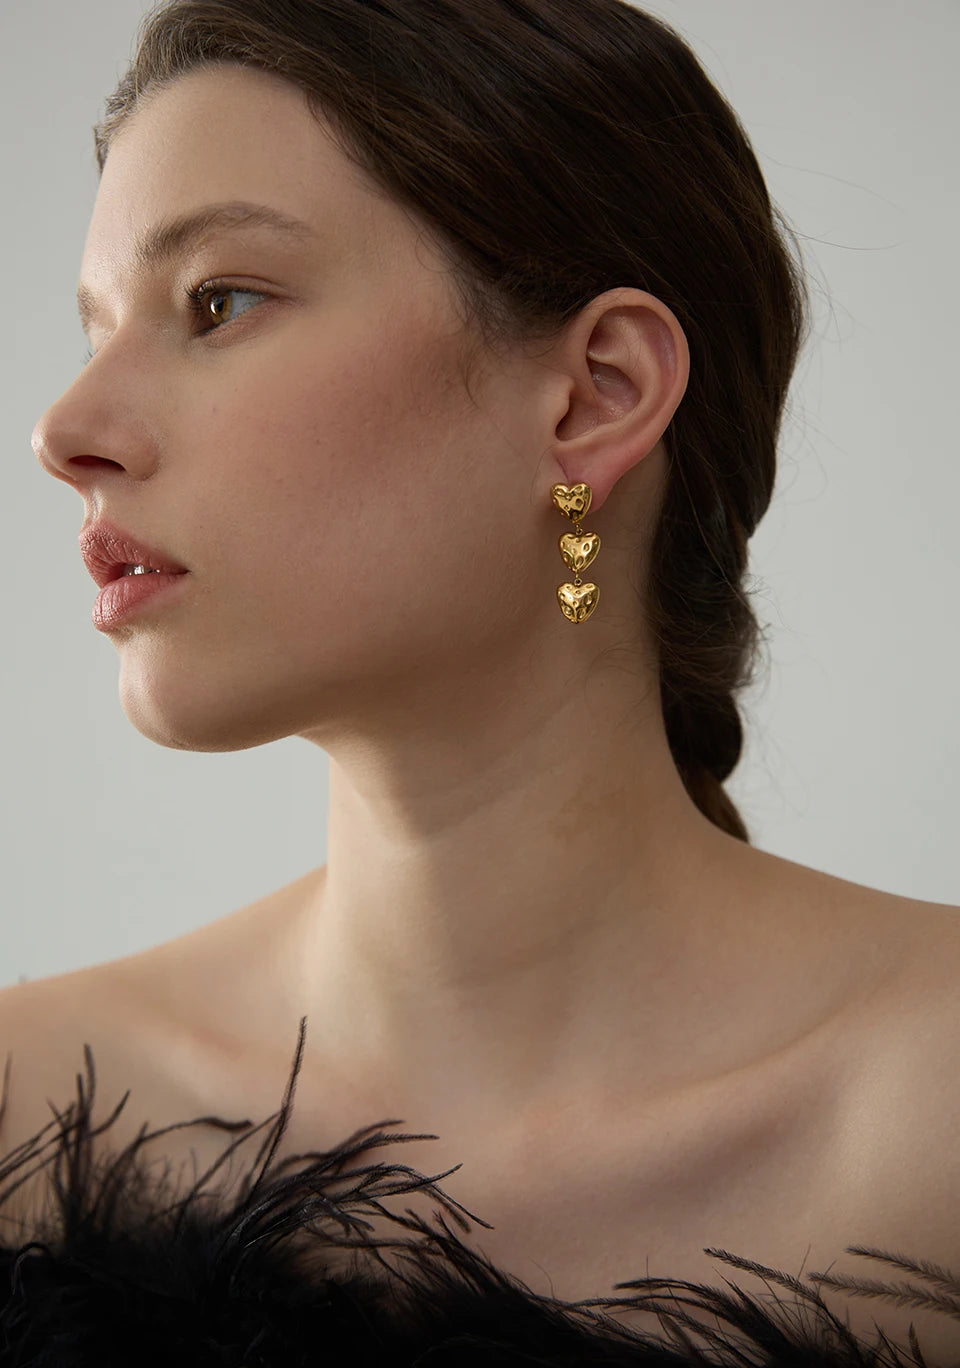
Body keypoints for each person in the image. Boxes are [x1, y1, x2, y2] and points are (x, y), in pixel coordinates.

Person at [3, 0, 959, 1361]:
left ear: (594, 396)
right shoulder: (27, 1119)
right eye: (96, 325)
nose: (64, 431)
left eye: (217, 301)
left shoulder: (941, 1114)